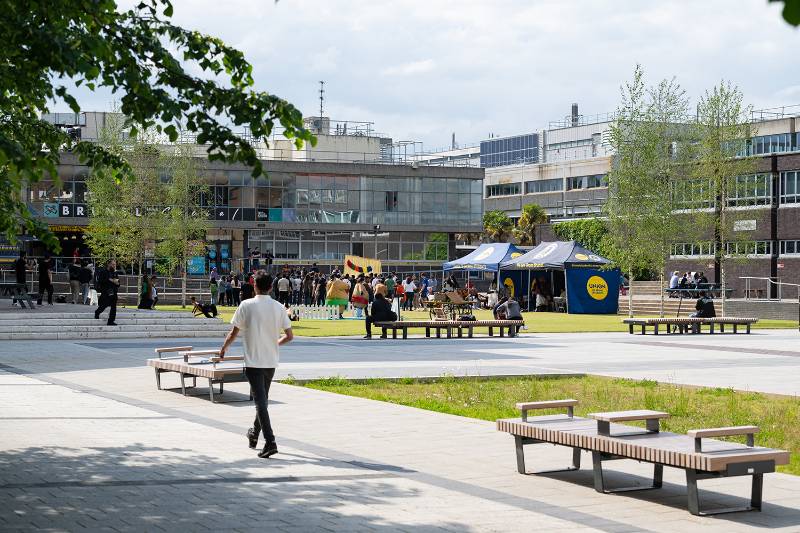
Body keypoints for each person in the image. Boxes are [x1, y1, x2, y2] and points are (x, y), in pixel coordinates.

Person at [219, 272, 293, 459]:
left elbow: (233, 333)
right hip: (270, 361)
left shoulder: (246, 305)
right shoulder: (278, 307)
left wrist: (223, 349)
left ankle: (270, 441)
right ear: (271, 287)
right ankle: (254, 433)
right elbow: (290, 336)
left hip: (253, 361)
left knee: (260, 402)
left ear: (254, 286)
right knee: (263, 400)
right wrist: (274, 343)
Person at [94, 259, 119, 326]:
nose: (114, 266)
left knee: (114, 307)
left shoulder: (115, 273)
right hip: (106, 291)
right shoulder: (103, 272)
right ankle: (97, 312)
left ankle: (111, 321)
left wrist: (117, 283)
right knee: (104, 305)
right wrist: (109, 280)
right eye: (113, 264)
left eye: (115, 264)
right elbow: (100, 281)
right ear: (109, 264)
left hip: (114, 292)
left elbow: (118, 283)